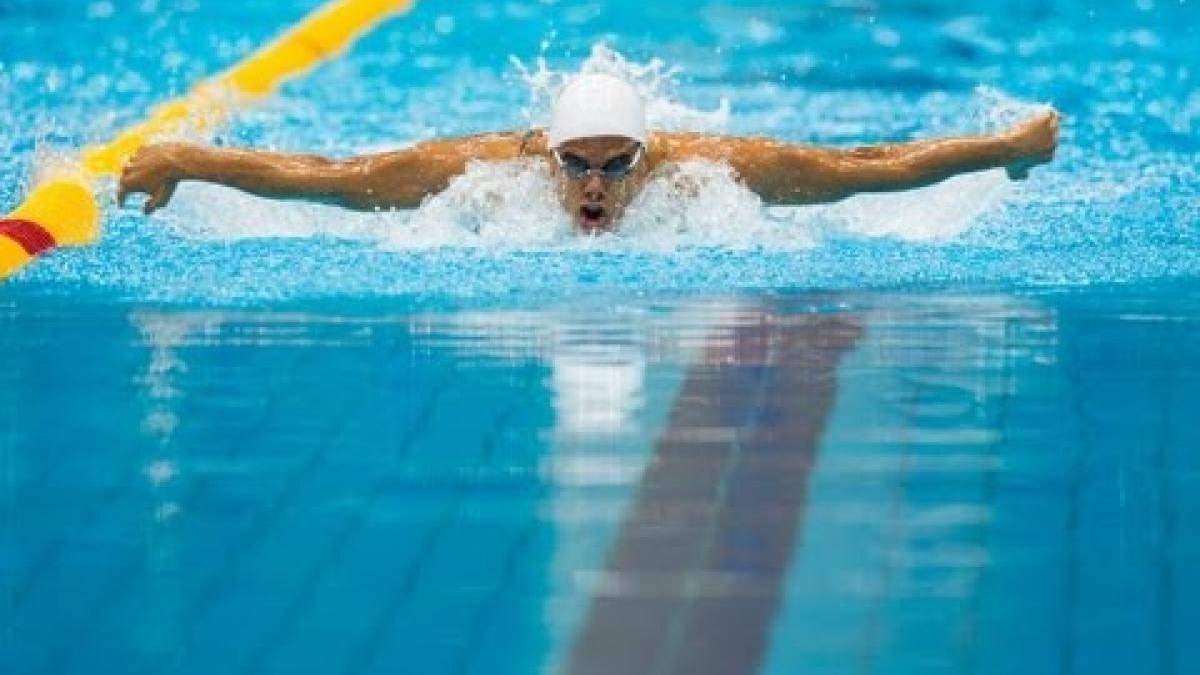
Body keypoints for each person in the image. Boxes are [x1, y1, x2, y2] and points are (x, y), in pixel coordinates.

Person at [118, 73, 1059, 233]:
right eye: (580, 165)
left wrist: (1002, 149)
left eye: (619, 164)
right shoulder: (486, 170)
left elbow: (868, 166)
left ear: (648, 158)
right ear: (548, 155)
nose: (598, 186)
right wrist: (186, 158)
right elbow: (328, 180)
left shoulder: (708, 170)